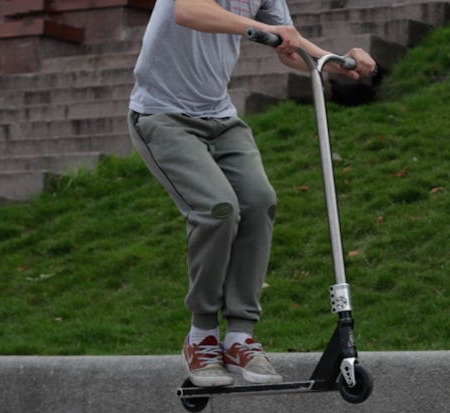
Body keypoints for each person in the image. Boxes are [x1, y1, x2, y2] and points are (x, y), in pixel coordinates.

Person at [127, 0, 377, 387]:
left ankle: (240, 337)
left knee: (260, 201)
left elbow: (291, 51)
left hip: (220, 118)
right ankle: (202, 337)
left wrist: (340, 61)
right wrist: (255, 29)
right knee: (217, 208)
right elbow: (189, 12)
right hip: (161, 116)